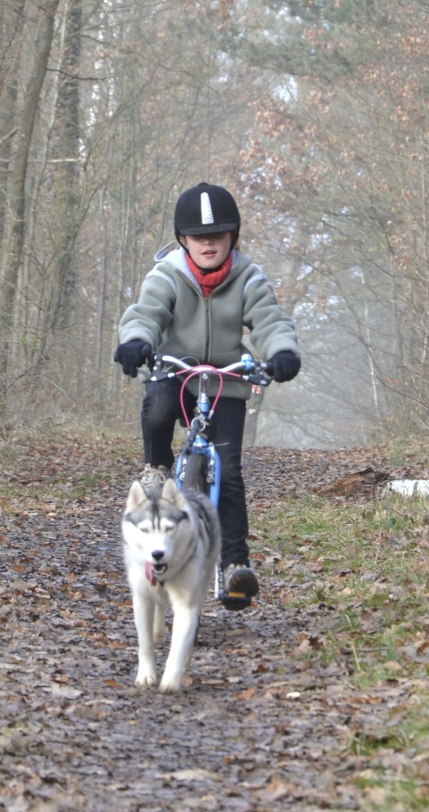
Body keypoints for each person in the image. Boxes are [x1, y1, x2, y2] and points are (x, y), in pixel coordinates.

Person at [115, 182, 300, 605]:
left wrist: (283, 351)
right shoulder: (168, 273)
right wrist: (136, 340)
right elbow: (147, 312)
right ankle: (157, 467)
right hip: (175, 371)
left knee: (229, 472)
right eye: (199, 237)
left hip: (225, 381)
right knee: (158, 408)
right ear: (183, 240)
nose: (209, 244)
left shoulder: (248, 276)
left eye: (217, 235)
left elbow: (269, 320)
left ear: (232, 236)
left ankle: (235, 565)